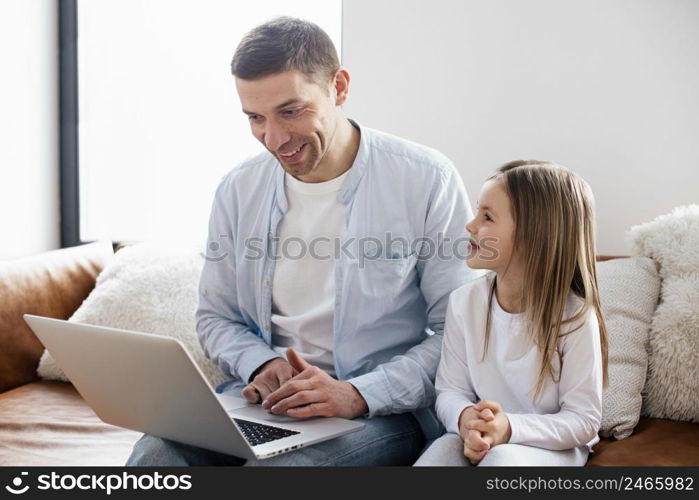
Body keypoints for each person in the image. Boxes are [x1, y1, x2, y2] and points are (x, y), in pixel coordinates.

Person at [126, 16, 479, 466]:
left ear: (340, 87)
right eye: (255, 117)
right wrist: (260, 365)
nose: (273, 139)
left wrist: (355, 394)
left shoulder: (426, 179)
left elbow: (458, 335)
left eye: (291, 111)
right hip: (265, 405)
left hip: (381, 412)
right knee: (154, 457)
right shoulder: (238, 189)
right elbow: (217, 317)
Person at [414, 160, 609, 466]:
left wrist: (509, 429)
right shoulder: (464, 302)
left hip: (551, 446)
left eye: (487, 216)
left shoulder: (574, 317)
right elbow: (451, 390)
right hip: (485, 435)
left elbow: (583, 421)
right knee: (437, 456)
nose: (470, 224)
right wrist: (466, 420)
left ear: (533, 236)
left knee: (501, 461)